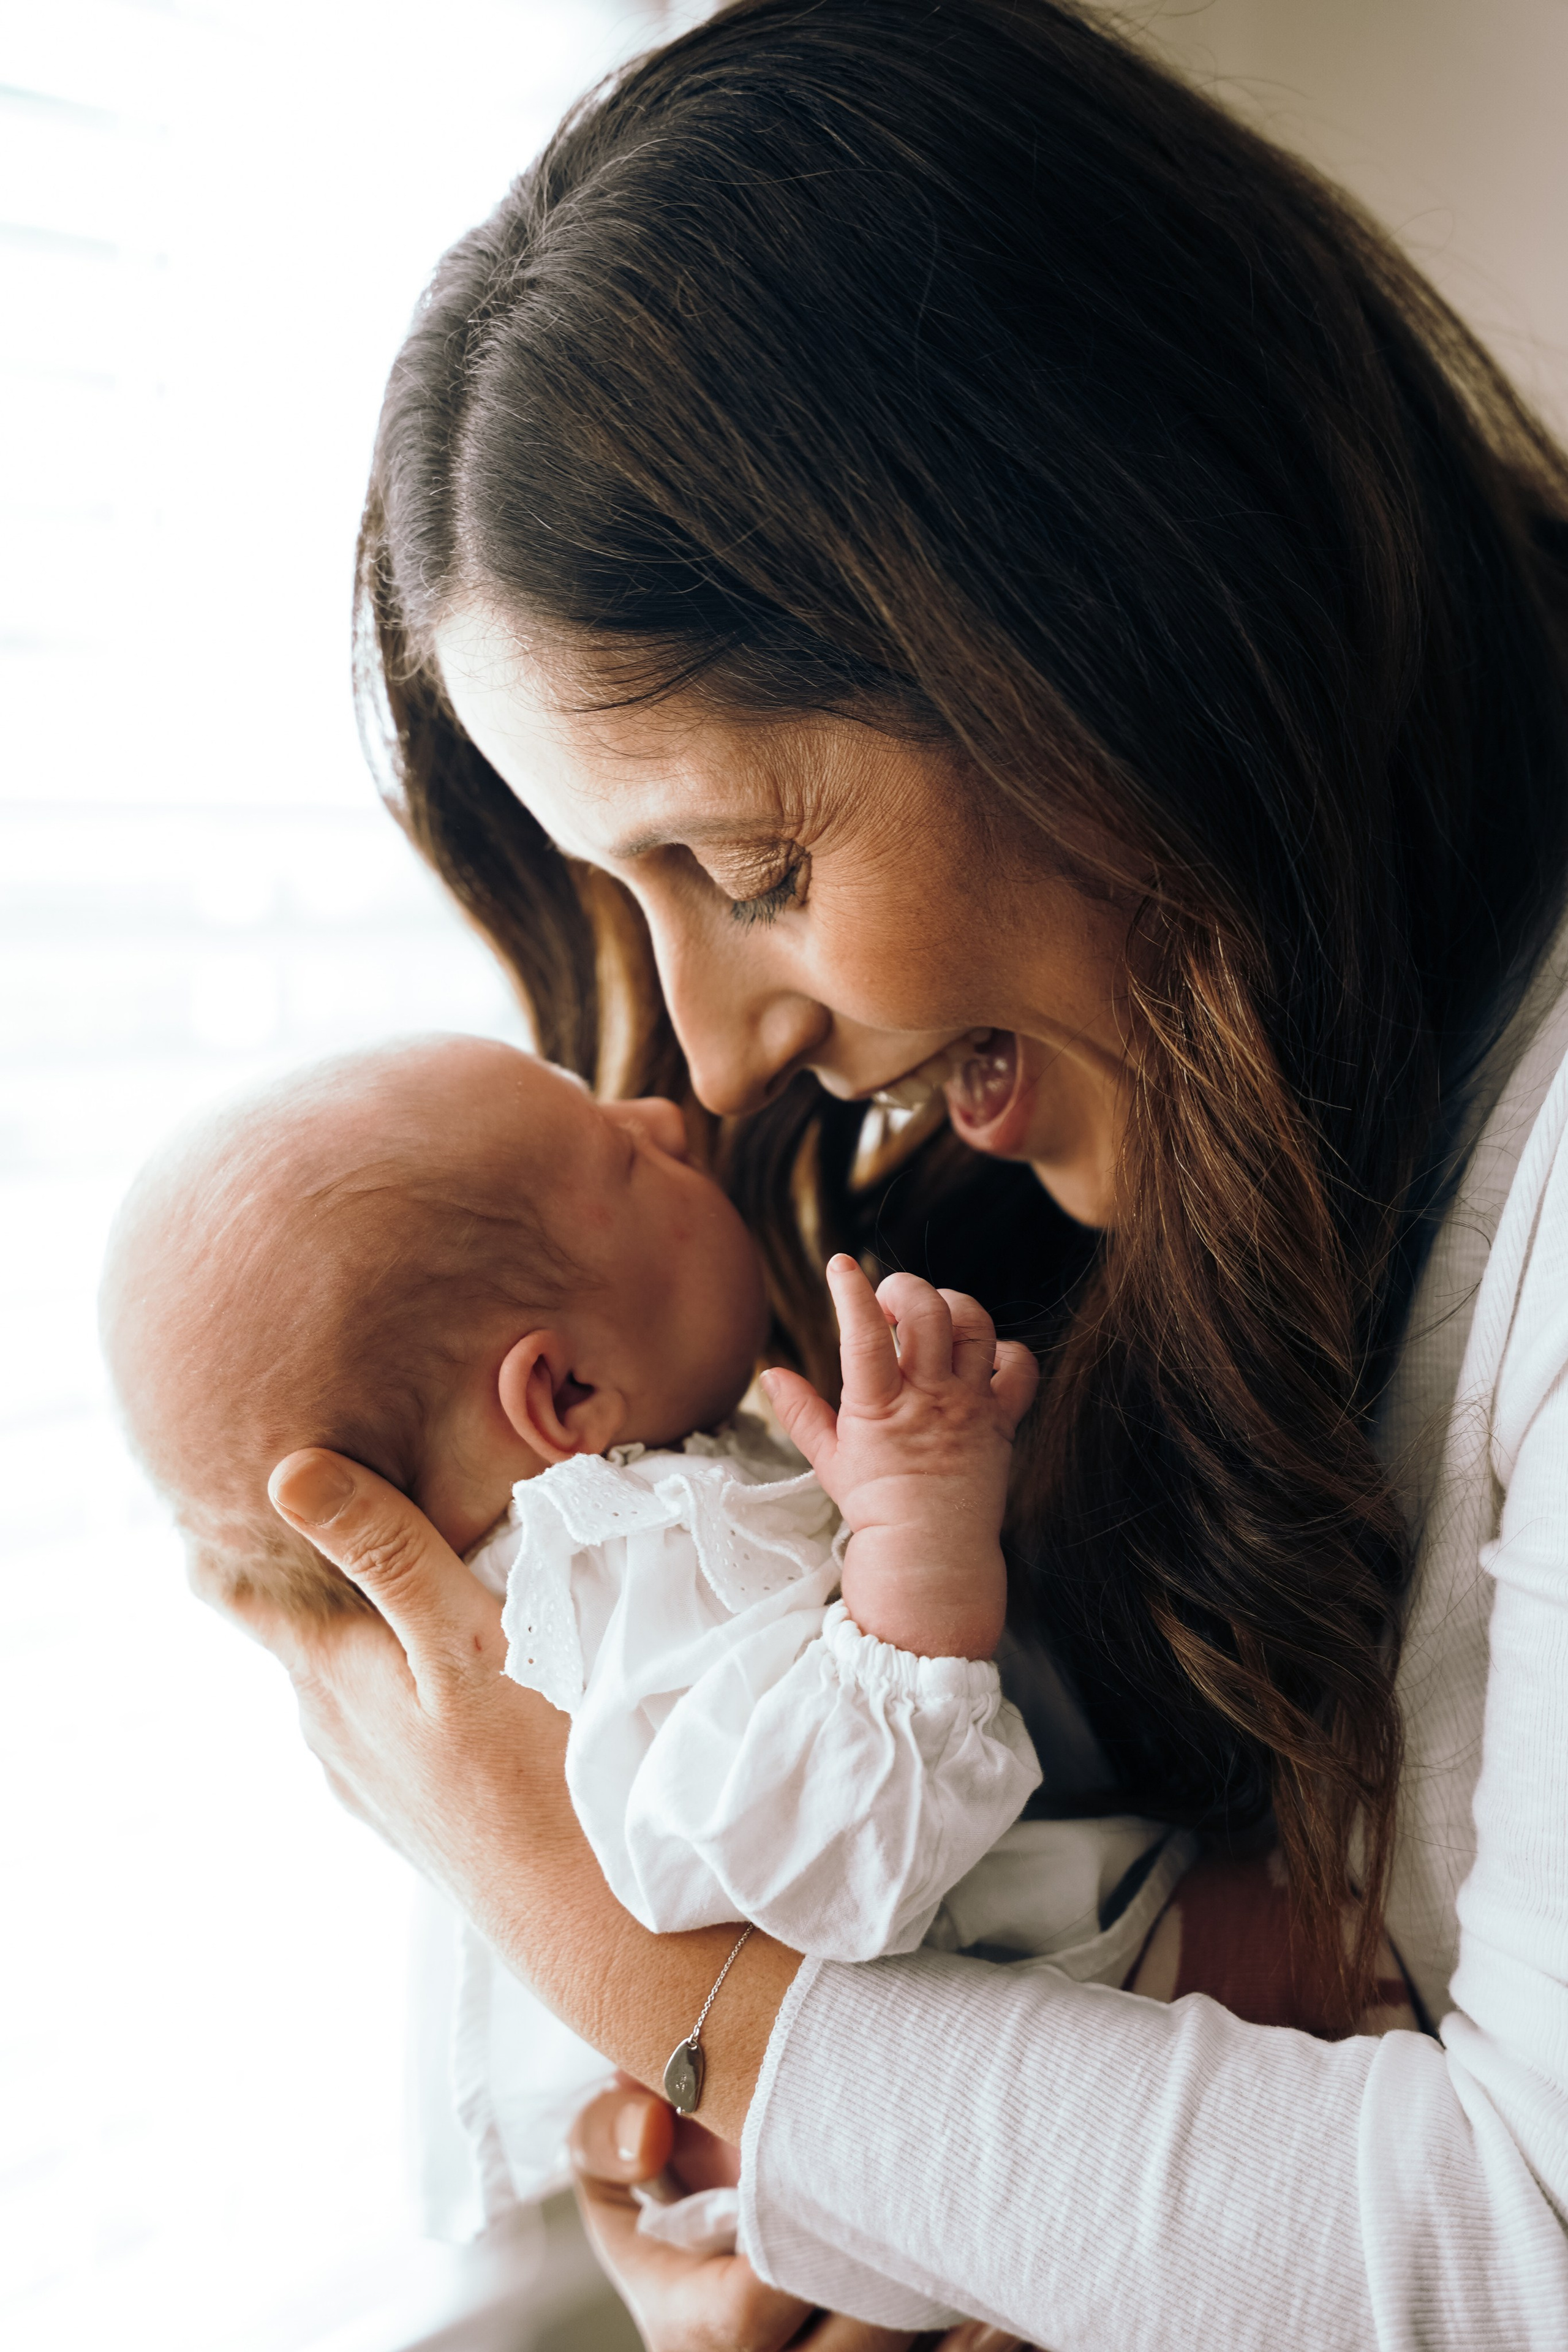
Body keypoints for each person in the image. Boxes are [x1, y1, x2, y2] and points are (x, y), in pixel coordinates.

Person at [205, 0, 1568, 2340]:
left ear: (1116, 611)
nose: (730, 1059)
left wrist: (658, 1974)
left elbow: (1514, 2253)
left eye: (746, 863)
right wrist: (835, 2210)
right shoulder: (1101, 1246)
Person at [102, 1032, 1193, 2240]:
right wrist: (915, 1537)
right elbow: (831, 1861)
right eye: (618, 1156)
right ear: (563, 1396)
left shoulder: (610, 1540)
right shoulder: (624, 1575)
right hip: (1019, 2090)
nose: (667, 1121)